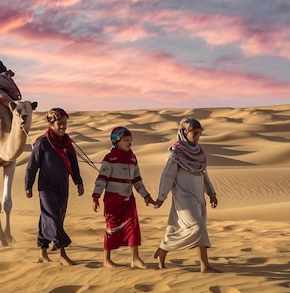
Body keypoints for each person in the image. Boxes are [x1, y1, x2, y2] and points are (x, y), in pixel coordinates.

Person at [153, 117, 221, 273]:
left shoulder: (199, 152)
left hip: (199, 198)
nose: (197, 136)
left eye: (199, 133)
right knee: (198, 228)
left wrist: (211, 193)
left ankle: (162, 251)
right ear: (184, 132)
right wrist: (161, 196)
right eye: (193, 132)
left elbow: (204, 174)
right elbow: (167, 176)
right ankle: (205, 266)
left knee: (186, 229)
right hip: (183, 198)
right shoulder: (176, 151)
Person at [25, 108, 85, 266]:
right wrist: (28, 185)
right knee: (54, 219)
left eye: (65, 123)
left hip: (62, 188)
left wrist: (78, 181)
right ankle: (62, 254)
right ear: (51, 124)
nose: (63, 127)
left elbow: (73, 164)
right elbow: (32, 166)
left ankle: (42, 252)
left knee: (49, 218)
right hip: (46, 188)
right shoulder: (43, 143)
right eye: (60, 124)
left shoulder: (67, 143)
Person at [92, 126, 155, 269]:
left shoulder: (133, 158)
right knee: (111, 228)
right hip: (113, 201)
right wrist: (96, 196)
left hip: (128, 200)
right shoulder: (110, 159)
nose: (130, 142)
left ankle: (135, 258)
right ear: (116, 141)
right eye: (126, 140)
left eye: (131, 140)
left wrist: (146, 196)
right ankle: (106, 259)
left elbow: (137, 180)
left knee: (133, 227)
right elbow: (101, 179)